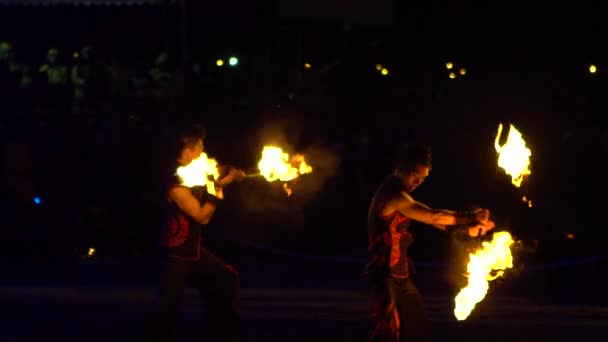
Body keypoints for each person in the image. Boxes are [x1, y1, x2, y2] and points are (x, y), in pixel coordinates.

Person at [365, 143, 495, 342]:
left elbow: (434, 220)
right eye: (414, 175)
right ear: (400, 169)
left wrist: (469, 230)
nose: (418, 182)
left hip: (401, 277)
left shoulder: (402, 196)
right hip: (386, 277)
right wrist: (471, 216)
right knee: (391, 335)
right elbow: (433, 217)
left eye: (423, 178)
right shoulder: (393, 196)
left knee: (418, 331)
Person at [136, 124, 245, 342]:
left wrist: (230, 175)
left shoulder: (194, 169)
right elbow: (202, 216)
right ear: (188, 150)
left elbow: (213, 176)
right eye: (200, 148)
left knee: (225, 276)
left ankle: (221, 331)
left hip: (193, 250)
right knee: (167, 309)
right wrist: (219, 189)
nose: (203, 152)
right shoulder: (175, 184)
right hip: (176, 255)